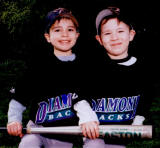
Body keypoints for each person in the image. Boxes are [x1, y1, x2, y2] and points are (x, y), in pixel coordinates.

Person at [7, 7, 99, 148]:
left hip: (68, 134)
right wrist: (14, 121)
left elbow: (87, 101)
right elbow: (19, 98)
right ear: (48, 37)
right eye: (57, 30)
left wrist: (88, 119)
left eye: (70, 29)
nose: (64, 34)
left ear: (77, 35)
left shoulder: (85, 67)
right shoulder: (38, 67)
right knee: (28, 144)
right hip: (38, 129)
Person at [81, 6, 152, 148]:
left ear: (131, 35)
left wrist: (138, 120)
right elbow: (79, 96)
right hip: (94, 132)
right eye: (107, 33)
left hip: (120, 135)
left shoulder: (142, 69)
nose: (115, 37)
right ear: (99, 39)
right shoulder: (91, 69)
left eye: (120, 31)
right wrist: (86, 118)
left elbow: (146, 98)